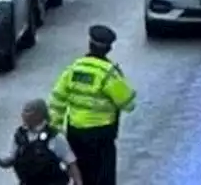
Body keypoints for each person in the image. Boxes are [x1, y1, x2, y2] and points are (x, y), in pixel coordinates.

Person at [49, 25, 136, 185]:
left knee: (81, 177)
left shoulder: (74, 69)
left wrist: (55, 129)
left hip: (75, 134)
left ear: (90, 44)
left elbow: (57, 100)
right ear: (109, 48)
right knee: (103, 179)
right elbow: (129, 104)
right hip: (101, 137)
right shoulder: (108, 73)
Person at [0, 99, 83, 185]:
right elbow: (12, 158)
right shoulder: (20, 135)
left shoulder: (54, 137)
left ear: (39, 114)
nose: (23, 114)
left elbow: (71, 163)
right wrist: (1, 162)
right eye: (23, 111)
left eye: (27, 111)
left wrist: (78, 182)